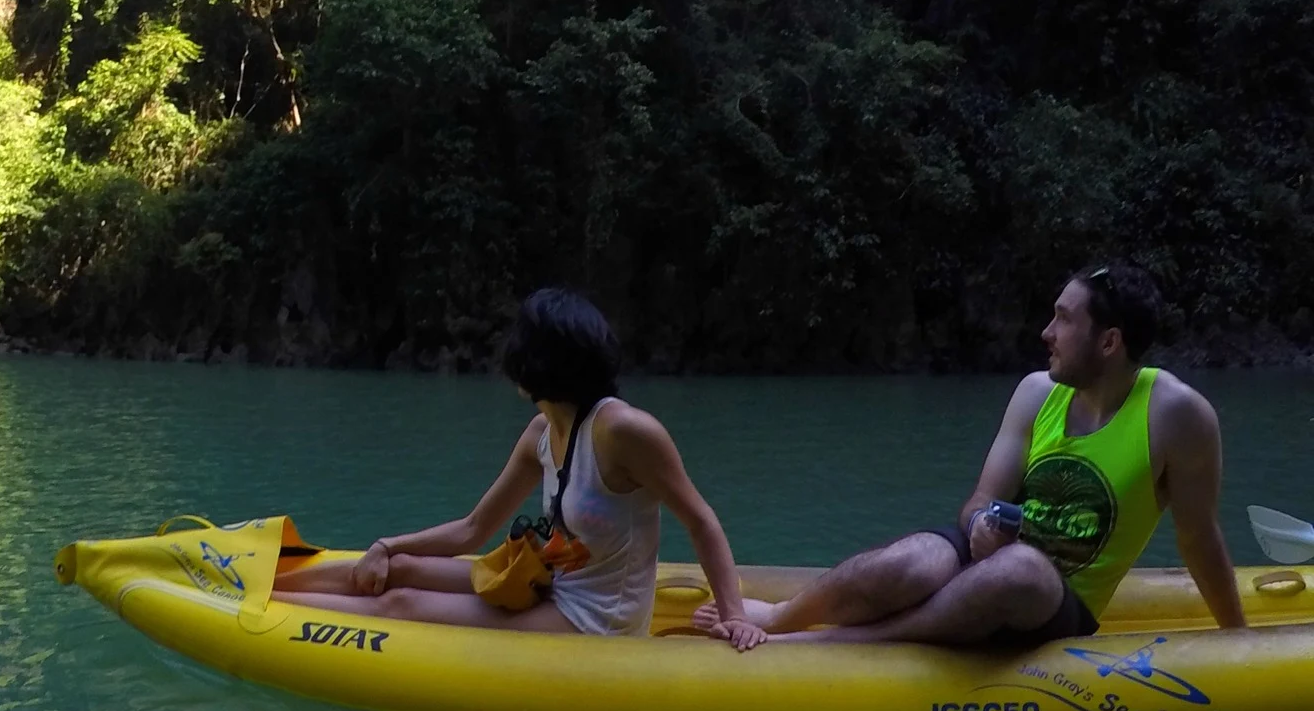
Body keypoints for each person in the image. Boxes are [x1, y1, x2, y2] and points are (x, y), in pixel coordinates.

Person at [696, 261, 1244, 646]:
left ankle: (840, 644)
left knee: (1023, 569)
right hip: (988, 561)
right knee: (920, 558)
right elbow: (980, 501)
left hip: (1053, 600)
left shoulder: (1177, 415)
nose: (1046, 331)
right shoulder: (1036, 393)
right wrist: (981, 523)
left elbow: (1197, 538)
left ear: (1109, 342)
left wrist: (1236, 641)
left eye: (1064, 319)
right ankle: (781, 618)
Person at [276, 288, 766, 649]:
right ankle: (261, 585)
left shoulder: (625, 432)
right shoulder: (540, 434)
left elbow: (700, 519)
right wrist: (386, 547)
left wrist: (735, 616)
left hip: (597, 619)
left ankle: (261, 614)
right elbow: (473, 530)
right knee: (399, 571)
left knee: (399, 605)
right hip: (550, 584)